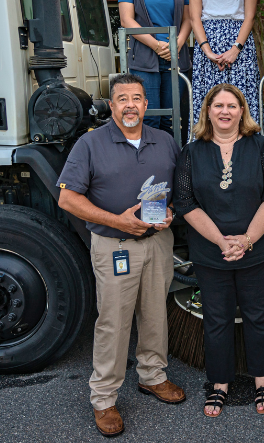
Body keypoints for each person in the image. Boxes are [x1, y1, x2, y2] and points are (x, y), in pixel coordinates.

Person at [57, 73, 186, 437]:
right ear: (111, 106)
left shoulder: (164, 142)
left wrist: (172, 209)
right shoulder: (90, 144)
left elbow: (178, 190)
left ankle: (152, 376)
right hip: (115, 244)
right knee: (113, 321)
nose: (131, 105)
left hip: (158, 241)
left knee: (156, 313)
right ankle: (103, 398)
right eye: (123, 99)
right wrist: (118, 221)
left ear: (146, 104)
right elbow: (68, 198)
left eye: (137, 98)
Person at [172, 83, 264, 418]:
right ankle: (219, 382)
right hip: (212, 252)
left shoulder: (262, 147)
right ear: (207, 111)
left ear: (242, 111)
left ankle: (262, 379)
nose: (225, 111)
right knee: (217, 319)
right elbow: (184, 202)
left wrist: (248, 239)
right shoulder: (192, 152)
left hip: (259, 248)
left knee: (257, 315)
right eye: (218, 105)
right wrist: (223, 242)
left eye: (232, 106)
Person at [118, 0, 192, 138]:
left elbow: (188, 19)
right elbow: (126, 19)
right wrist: (157, 45)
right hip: (144, 60)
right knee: (149, 118)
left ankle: (172, 168)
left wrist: (176, 43)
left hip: (175, 58)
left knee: (173, 119)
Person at [187, 0, 262, 126]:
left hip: (239, 45)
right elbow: (194, 18)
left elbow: (249, 17)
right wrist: (207, 51)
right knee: (210, 102)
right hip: (208, 44)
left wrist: (236, 49)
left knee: (241, 99)